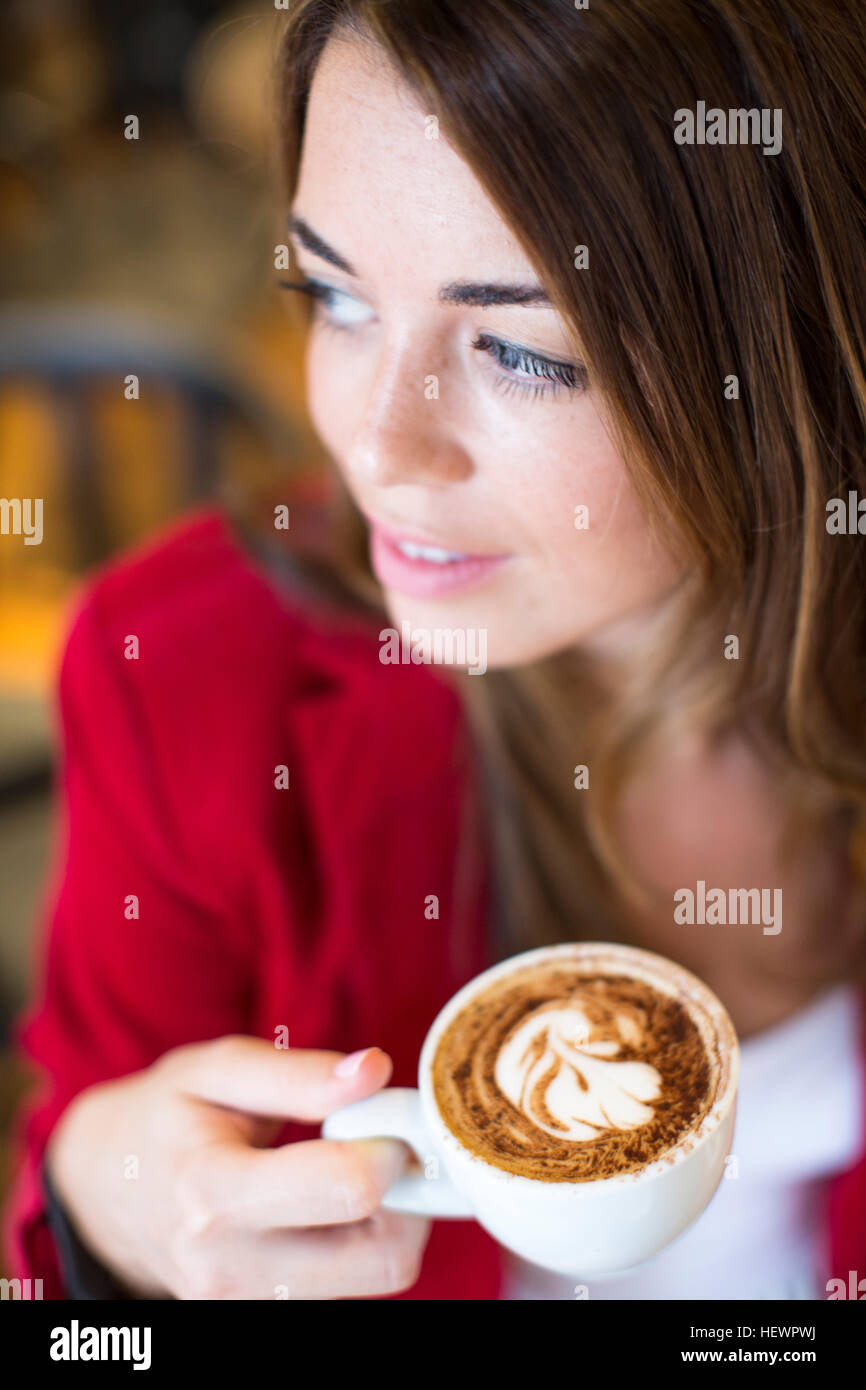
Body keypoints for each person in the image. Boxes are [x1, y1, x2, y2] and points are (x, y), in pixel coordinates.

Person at [4, 0, 866, 1300]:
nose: (374, 447)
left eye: (520, 349)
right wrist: (93, 1238)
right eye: (331, 294)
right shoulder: (178, 672)